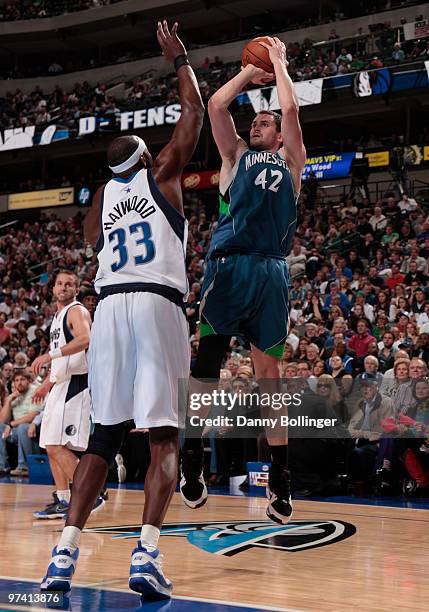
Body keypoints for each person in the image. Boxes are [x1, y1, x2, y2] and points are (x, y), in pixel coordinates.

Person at [41, 20, 204, 599]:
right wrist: (179, 61)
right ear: (145, 156)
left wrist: (108, 186)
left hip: (108, 308)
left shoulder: (102, 201)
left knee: (103, 439)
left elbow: (88, 237)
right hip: (156, 304)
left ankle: (63, 554)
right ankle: (148, 553)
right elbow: (194, 117)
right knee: (164, 437)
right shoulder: (161, 174)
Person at [180, 36, 306, 525]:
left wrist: (277, 65)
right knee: (205, 373)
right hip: (228, 268)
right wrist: (248, 77)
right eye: (255, 119)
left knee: (270, 380)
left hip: (270, 272)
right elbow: (216, 104)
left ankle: (280, 481)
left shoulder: (292, 163)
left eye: (265, 121)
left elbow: (292, 113)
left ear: (278, 136)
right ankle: (193, 466)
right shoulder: (234, 156)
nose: (259, 123)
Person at [31, 271, 100, 519]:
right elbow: (63, 359)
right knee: (49, 445)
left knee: (57, 445)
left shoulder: (76, 310)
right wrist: (47, 384)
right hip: (60, 385)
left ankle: (92, 493)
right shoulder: (58, 316)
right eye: (59, 283)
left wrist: (49, 356)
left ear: (76, 288)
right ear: (53, 288)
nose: (63, 287)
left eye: (69, 284)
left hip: (76, 385)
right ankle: (63, 499)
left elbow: (85, 339)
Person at [0, 371, 41, 476]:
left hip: (34, 429)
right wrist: (9, 400)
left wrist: (11, 425)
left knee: (23, 427)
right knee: (0, 427)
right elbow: (3, 421)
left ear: (29, 381)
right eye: (16, 380)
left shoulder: (36, 391)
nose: (19, 383)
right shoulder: (14, 395)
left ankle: (24, 467)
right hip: (17, 432)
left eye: (22, 380)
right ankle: (2, 466)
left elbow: (32, 416)